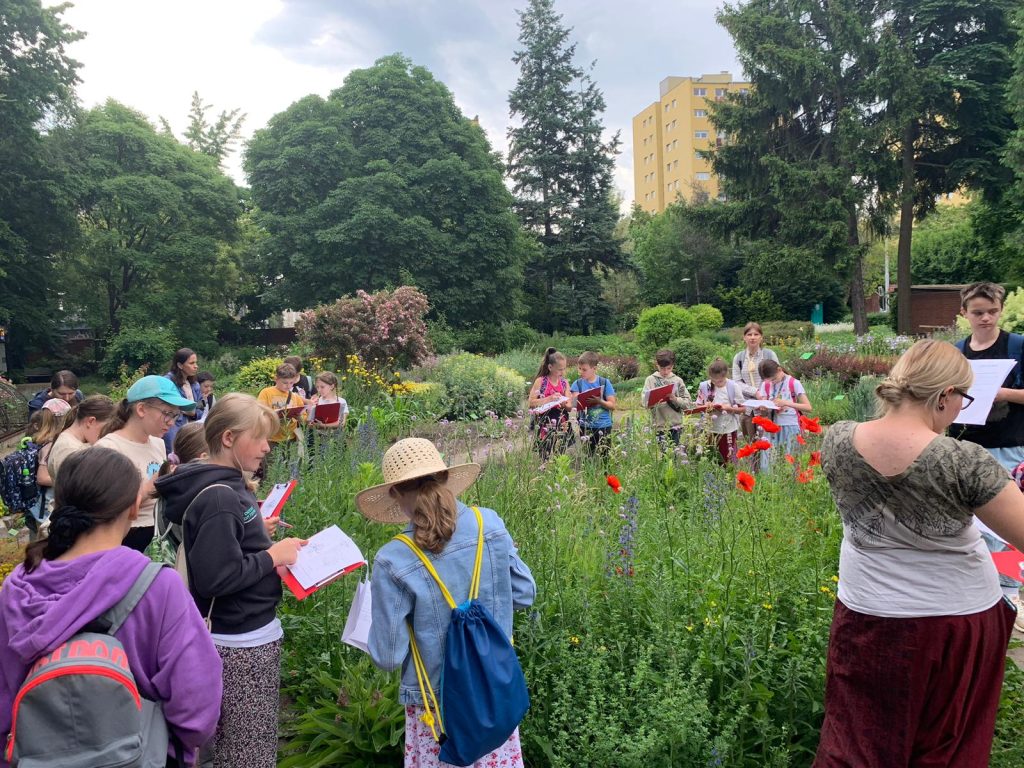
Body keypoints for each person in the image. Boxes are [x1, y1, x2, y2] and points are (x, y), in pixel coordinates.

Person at [813, 339, 1024, 767]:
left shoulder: (836, 440)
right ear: (945, 395)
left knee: (857, 741)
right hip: (953, 623)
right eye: (962, 399)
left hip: (866, 614)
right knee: (945, 747)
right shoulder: (964, 461)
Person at [0, 447, 223, 768]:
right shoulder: (157, 587)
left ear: (59, 503)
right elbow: (196, 701)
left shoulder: (16, 588)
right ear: (134, 507)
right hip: (138, 755)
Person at [359, 438, 536, 768]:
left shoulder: (393, 559)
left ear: (395, 494)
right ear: (445, 477)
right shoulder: (489, 524)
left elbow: (387, 656)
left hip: (437, 706)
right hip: (494, 688)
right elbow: (525, 594)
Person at [155, 393, 306, 768]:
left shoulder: (227, 486)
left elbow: (231, 557)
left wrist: (272, 560)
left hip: (245, 634)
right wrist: (273, 555)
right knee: (246, 751)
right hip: (240, 643)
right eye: (259, 437)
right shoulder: (221, 497)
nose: (267, 447)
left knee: (241, 744)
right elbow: (217, 578)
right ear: (228, 438)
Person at [97, 375, 195, 553]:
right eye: (167, 413)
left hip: (162, 533)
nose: (172, 422)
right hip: (131, 540)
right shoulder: (109, 448)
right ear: (141, 409)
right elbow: (108, 510)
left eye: (176, 415)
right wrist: (156, 483)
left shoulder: (157, 443)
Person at [952, 281, 1024, 472]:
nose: (986, 318)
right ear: (964, 312)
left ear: (1001, 309)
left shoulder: (1018, 347)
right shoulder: (956, 352)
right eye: (978, 313)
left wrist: (1003, 394)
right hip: (963, 446)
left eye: (993, 311)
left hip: (1008, 449)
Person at [22, 400, 70, 534]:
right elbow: (42, 478)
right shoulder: (50, 444)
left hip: (43, 503)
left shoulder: (42, 438)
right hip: (47, 505)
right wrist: (69, 481)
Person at [47, 394, 116, 484]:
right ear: (91, 421)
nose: (106, 434)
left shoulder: (74, 443)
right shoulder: (68, 449)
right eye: (106, 428)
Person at [756, 359, 812, 467]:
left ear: (780, 370)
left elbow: (808, 407)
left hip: (790, 426)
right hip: (771, 427)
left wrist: (786, 403)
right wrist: (764, 408)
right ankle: (769, 483)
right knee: (769, 463)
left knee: (789, 463)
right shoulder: (766, 385)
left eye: (774, 379)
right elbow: (764, 404)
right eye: (770, 381)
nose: (773, 382)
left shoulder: (793, 383)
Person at [732, 323, 779, 440]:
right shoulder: (739, 358)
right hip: (747, 408)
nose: (752, 337)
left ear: (761, 337)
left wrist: (763, 396)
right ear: (744, 337)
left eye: (756, 334)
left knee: (766, 442)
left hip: (765, 407)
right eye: (749, 334)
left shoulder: (769, 355)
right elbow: (737, 382)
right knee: (751, 445)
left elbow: (777, 377)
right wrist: (756, 392)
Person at [695, 358, 745, 466]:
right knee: (710, 457)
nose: (717, 383)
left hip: (728, 429)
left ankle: (728, 479)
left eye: (720, 381)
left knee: (728, 459)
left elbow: (743, 409)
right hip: (709, 428)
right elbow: (698, 405)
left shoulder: (733, 387)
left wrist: (729, 408)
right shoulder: (704, 386)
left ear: (725, 375)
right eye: (714, 381)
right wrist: (706, 406)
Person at [528, 348, 574, 459]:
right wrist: (549, 399)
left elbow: (569, 406)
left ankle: (558, 475)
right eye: (559, 370)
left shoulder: (564, 383)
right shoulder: (541, 381)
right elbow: (531, 403)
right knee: (544, 455)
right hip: (544, 422)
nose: (562, 372)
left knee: (560, 456)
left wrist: (564, 404)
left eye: (564, 369)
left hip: (561, 422)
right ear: (550, 367)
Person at [570, 351, 617, 457]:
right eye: (580, 369)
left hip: (604, 425)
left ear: (594, 369)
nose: (581, 372)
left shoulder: (604, 382)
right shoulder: (577, 384)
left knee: (605, 459)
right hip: (585, 427)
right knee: (588, 458)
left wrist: (599, 401)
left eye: (584, 369)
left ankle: (606, 474)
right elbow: (574, 405)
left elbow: (612, 405)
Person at [642, 348, 692, 447]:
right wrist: (653, 400)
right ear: (657, 365)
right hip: (659, 426)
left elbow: (688, 403)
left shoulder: (678, 380)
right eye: (662, 368)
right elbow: (644, 402)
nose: (665, 372)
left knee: (675, 456)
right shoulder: (650, 380)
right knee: (662, 457)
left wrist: (675, 399)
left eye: (668, 368)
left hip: (676, 426)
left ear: (672, 366)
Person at [164, 349, 201, 452]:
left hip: (192, 429)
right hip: (174, 427)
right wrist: (186, 409)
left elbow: (201, 405)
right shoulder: (167, 382)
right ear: (180, 365)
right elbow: (169, 407)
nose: (196, 366)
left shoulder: (195, 384)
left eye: (196, 362)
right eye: (191, 363)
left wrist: (193, 414)